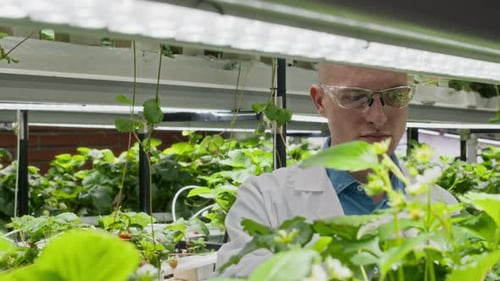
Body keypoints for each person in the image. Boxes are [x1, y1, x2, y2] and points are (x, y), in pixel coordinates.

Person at [215, 63, 457, 277]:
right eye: (355, 97)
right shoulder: (264, 200)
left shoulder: (443, 205)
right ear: (320, 101)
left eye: (395, 96)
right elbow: (235, 275)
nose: (378, 117)